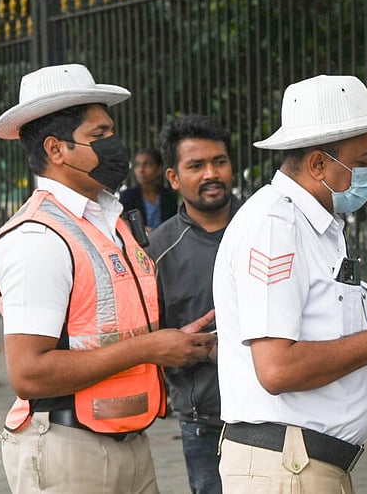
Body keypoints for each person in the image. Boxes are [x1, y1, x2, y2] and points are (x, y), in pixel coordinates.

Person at [212, 74, 367, 494]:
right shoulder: (276, 226)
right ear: (318, 164)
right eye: (361, 162)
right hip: (286, 470)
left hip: (304, 465)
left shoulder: (316, 224)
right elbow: (277, 369)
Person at [0, 63, 216, 493]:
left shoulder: (110, 220)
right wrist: (149, 347)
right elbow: (29, 374)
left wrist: (169, 343)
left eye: (111, 133)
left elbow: (106, 327)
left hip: (129, 439)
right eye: (99, 136)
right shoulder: (39, 238)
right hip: (67, 450)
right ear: (56, 149)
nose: (115, 146)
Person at [145, 114, 239, 494]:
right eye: (196, 166)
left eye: (219, 161)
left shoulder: (267, 226)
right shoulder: (157, 251)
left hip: (279, 411)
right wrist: (188, 348)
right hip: (205, 421)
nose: (210, 174)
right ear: (173, 177)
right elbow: (146, 339)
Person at [119, 147, 178, 231]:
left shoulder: (169, 196)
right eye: (138, 165)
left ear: (159, 169)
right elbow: (124, 225)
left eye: (147, 164)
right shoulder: (128, 196)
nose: (141, 170)